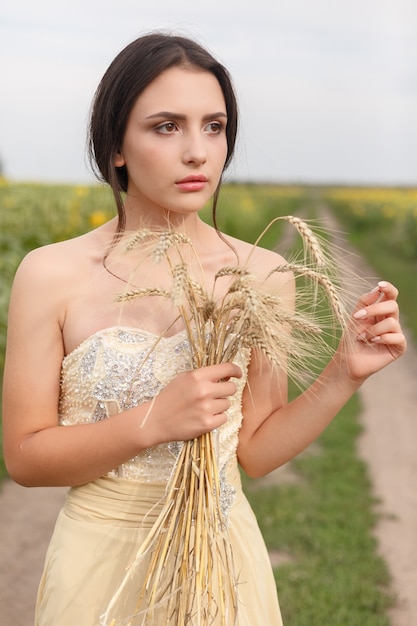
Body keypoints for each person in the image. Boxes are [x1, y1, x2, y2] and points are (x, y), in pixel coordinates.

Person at [2, 33, 406, 626]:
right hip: (97, 569)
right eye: (166, 127)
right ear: (116, 145)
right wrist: (152, 422)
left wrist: (343, 373)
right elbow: (25, 459)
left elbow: (256, 453)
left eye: (213, 126)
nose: (198, 152)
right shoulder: (49, 274)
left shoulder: (262, 274)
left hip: (223, 561)